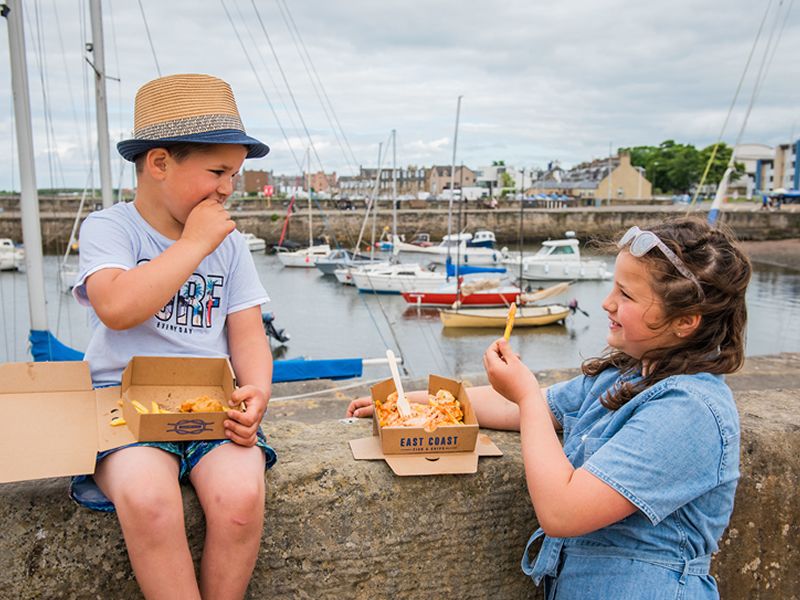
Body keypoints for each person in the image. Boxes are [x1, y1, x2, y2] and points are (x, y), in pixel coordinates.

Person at [346, 217, 751, 599]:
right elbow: (522, 408)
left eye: (626, 294)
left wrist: (524, 396)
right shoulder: (624, 377)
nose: (607, 303)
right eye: (613, 287)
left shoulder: (690, 410)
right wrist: (410, 402)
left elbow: (562, 510)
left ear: (686, 321)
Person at [71, 74, 276, 600]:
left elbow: (247, 331)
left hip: (211, 405)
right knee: (149, 502)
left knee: (240, 501)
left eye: (235, 173)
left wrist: (257, 389)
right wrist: (193, 244)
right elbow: (116, 307)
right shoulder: (110, 228)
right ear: (159, 164)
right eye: (217, 171)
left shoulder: (228, 247)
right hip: (122, 404)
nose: (228, 188)